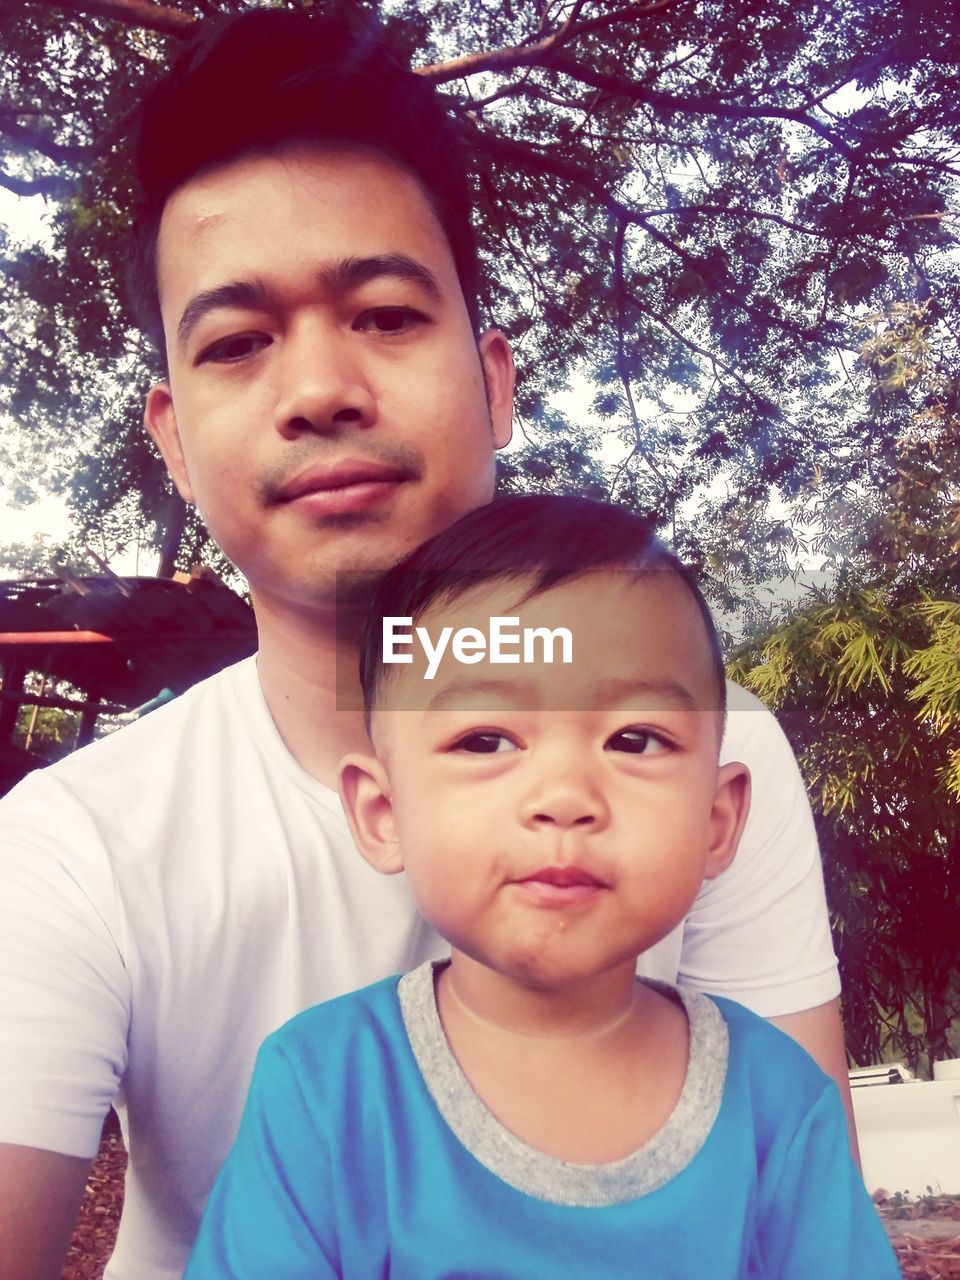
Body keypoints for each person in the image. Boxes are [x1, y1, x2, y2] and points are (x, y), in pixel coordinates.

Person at [0, 11, 851, 1280]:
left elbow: (789, 1208)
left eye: (388, 316)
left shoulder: (709, 758)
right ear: (172, 443)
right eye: (237, 342)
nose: (320, 388)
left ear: (496, 380)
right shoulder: (78, 849)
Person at [185, 495, 897, 1279]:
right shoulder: (324, 1090)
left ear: (718, 820)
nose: (564, 794)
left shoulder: (777, 1103)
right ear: (384, 813)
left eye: (635, 738)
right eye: (485, 738)